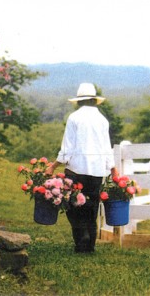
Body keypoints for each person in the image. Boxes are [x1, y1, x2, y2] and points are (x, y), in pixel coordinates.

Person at [46, 83, 118, 253]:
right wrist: (112, 168)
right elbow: (106, 147)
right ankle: (90, 244)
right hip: (97, 170)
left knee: (74, 205)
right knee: (92, 206)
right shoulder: (102, 120)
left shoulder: (74, 118)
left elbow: (68, 147)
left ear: (79, 101)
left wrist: (54, 165)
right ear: (94, 100)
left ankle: (81, 240)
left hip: (76, 168)